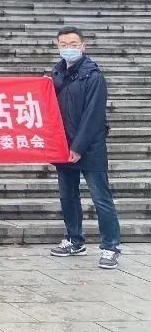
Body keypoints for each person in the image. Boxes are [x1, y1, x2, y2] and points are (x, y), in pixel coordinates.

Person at [49, 27, 121, 269]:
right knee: (68, 197)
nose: (68, 48)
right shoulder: (56, 74)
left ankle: (111, 246)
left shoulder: (93, 76)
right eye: (63, 44)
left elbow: (93, 116)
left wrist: (78, 146)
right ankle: (74, 239)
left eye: (73, 44)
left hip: (90, 147)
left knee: (101, 198)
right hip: (62, 146)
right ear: (57, 46)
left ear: (83, 46)